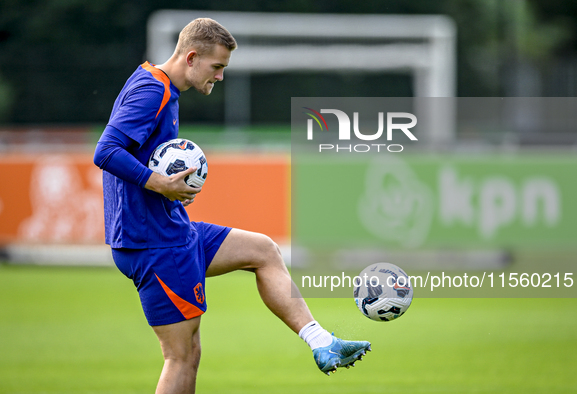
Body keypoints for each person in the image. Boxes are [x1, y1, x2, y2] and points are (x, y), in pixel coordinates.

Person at [93, 17, 370, 393]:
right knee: (180, 356)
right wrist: (160, 183)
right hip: (154, 243)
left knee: (263, 250)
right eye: (217, 67)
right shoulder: (151, 91)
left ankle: (321, 341)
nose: (220, 77)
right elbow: (106, 151)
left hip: (172, 231)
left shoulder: (156, 84)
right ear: (191, 57)